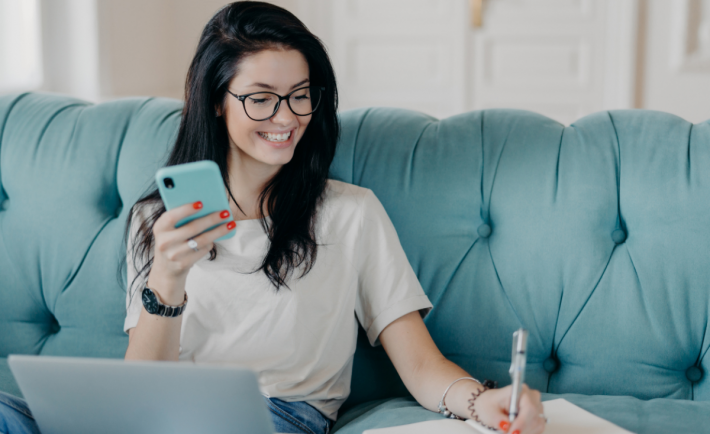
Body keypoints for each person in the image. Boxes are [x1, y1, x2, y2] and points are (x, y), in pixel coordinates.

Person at [0, 2, 545, 434]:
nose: (286, 118)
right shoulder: (159, 221)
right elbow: (144, 388)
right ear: (216, 100)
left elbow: (422, 368)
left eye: (300, 96)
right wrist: (167, 282)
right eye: (261, 99)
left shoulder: (351, 214)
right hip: (163, 420)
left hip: (280, 417)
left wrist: (483, 402)